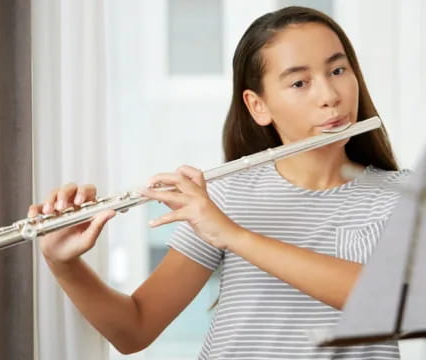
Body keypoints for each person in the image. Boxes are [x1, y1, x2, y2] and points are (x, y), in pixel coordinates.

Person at [28, 6, 409, 359]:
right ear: (258, 106)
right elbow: (134, 329)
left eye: (337, 71)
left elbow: (391, 302)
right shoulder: (225, 196)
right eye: (299, 83)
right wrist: (64, 263)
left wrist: (233, 234)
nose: (329, 96)